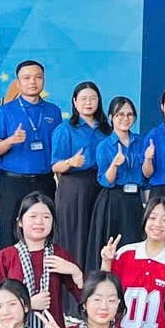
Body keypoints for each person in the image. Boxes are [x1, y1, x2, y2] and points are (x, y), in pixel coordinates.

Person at [0, 192, 84, 327]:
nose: (39, 222)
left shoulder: (58, 254)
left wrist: (76, 273)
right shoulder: (6, 257)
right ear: (20, 221)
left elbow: (86, 300)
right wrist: (28, 304)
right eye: (33, 216)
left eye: (46, 217)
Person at [0, 59, 63, 231]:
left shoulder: (54, 111)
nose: (33, 82)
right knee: (9, 232)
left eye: (38, 77)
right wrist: (11, 140)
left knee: (45, 232)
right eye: (27, 78)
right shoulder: (5, 111)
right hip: (13, 183)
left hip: (45, 182)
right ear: (18, 82)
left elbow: (59, 150)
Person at [106, 195, 165, 328]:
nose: (158, 224)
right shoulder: (125, 253)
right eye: (152, 218)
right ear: (144, 219)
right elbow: (105, 290)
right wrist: (106, 261)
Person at [50, 81, 110, 270]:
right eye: (83, 99)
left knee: (97, 237)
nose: (88, 102)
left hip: (100, 187)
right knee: (74, 238)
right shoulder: (65, 129)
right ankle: (71, 283)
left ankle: (94, 282)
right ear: (75, 102)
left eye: (93, 98)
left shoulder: (106, 131)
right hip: (74, 188)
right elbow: (55, 165)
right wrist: (71, 162)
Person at [90, 95, 149, 251]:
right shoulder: (104, 146)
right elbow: (105, 181)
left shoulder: (141, 142)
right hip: (114, 201)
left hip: (136, 200)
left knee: (135, 246)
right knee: (114, 247)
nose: (125, 118)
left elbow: (146, 179)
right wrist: (115, 164)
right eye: (120, 114)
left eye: (129, 114)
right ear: (111, 117)